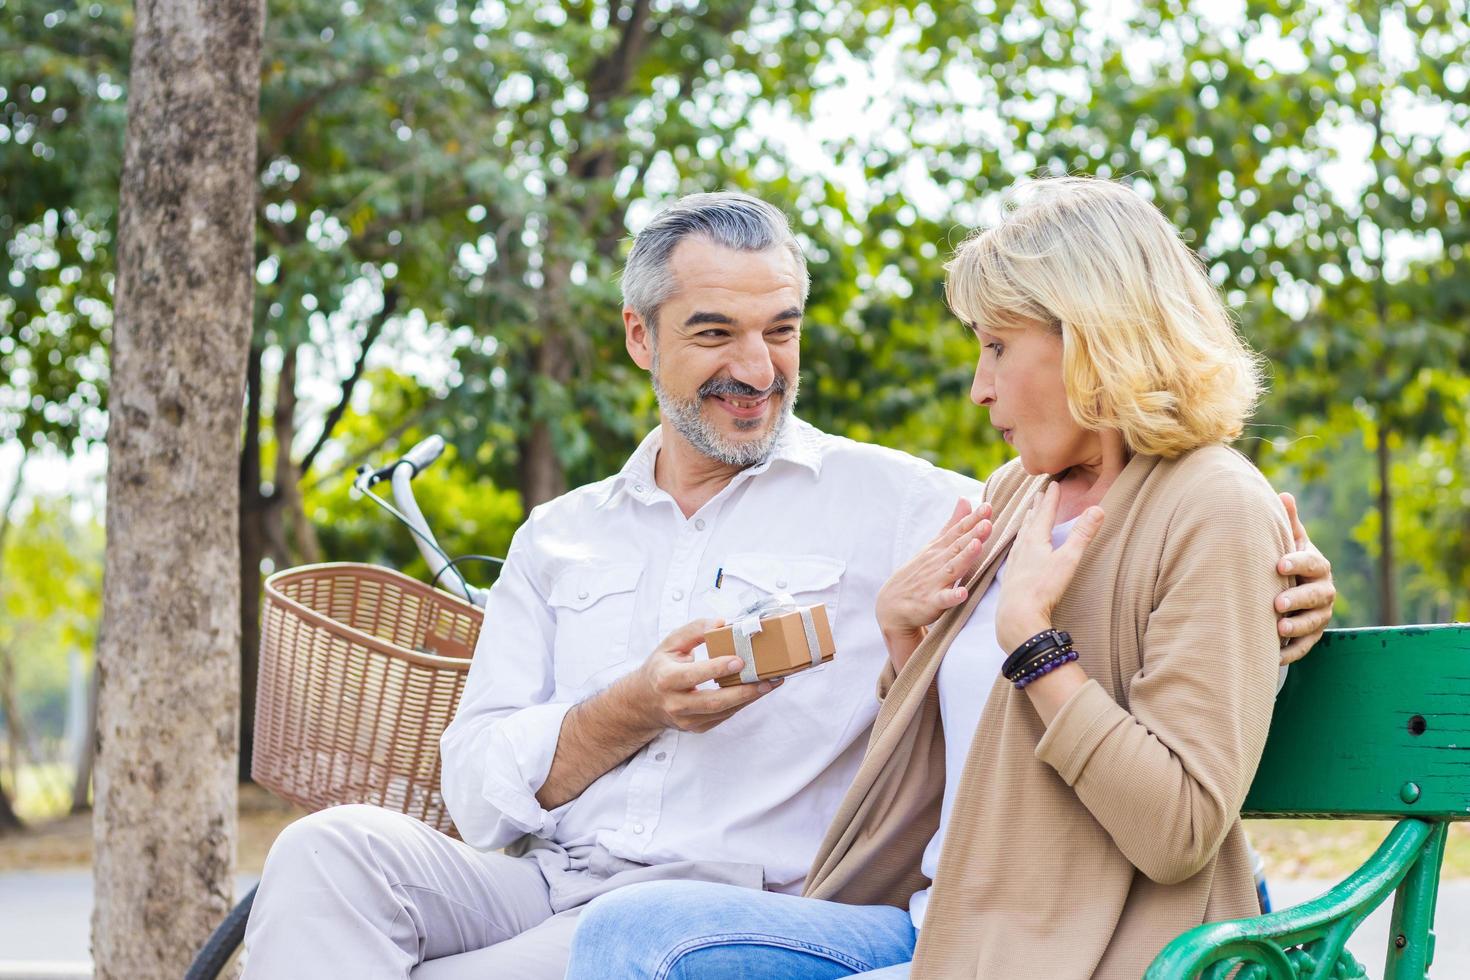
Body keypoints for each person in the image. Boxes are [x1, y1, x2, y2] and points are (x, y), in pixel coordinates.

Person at [241, 190, 1335, 979]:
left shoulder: (918, 498)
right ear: (640, 336)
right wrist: (637, 705)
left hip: (755, 902)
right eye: (715, 332)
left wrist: (1288, 600)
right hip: (549, 874)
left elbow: (1146, 590)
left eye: (781, 331)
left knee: (616, 942)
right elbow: (473, 788)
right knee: (328, 852)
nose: (757, 369)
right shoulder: (558, 535)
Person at [566, 176, 1317, 979]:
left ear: (1094, 336)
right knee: (626, 936)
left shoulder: (1213, 505)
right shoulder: (1015, 492)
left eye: (996, 346)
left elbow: (1179, 832)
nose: (979, 386)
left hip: (1077, 954)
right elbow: (966, 757)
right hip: (943, 930)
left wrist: (1036, 648)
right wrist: (906, 645)